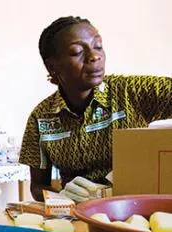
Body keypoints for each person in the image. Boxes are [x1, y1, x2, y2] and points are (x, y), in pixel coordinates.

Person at [20, 16, 172, 202]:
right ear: (53, 66)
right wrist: (61, 197)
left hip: (133, 209)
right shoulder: (41, 118)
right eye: (77, 52)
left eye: (98, 46)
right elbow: (37, 187)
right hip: (78, 214)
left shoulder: (131, 91)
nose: (95, 56)